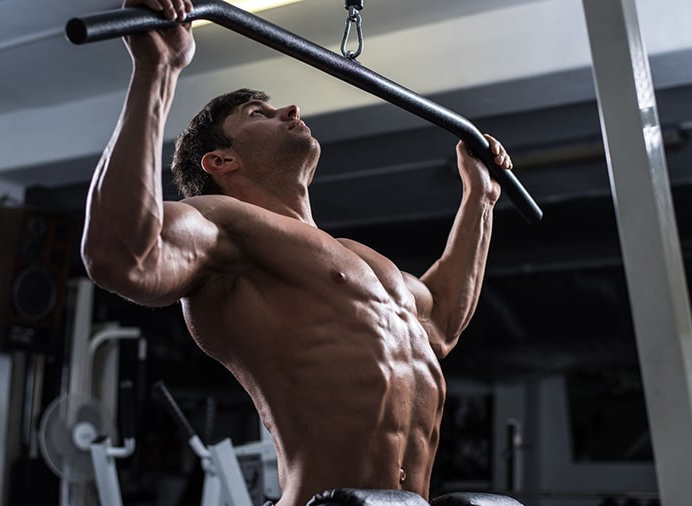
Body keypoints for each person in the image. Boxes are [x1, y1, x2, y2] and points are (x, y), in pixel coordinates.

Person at [80, 1, 514, 504]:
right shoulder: (224, 226)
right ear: (221, 160)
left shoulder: (358, 260)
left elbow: (440, 323)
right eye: (258, 114)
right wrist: (158, 71)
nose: (292, 110)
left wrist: (480, 198)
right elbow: (121, 254)